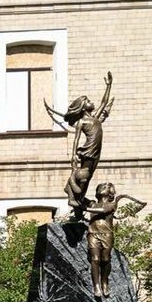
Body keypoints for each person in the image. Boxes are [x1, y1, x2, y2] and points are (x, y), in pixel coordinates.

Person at [45, 71, 113, 213]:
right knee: (84, 175)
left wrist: (108, 86)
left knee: (89, 176)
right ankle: (72, 192)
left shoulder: (95, 117)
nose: (91, 102)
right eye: (88, 101)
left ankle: (79, 199)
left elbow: (104, 102)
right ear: (83, 107)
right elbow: (76, 139)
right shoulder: (82, 122)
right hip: (89, 150)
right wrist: (73, 156)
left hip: (97, 151)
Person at [84, 182, 146, 298]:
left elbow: (103, 210)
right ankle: (96, 286)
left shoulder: (112, 205)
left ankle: (104, 282)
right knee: (95, 259)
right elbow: (79, 197)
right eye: (100, 187)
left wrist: (85, 209)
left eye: (105, 187)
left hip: (107, 235)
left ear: (110, 192)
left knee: (105, 259)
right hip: (93, 233)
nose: (102, 188)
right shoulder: (92, 204)